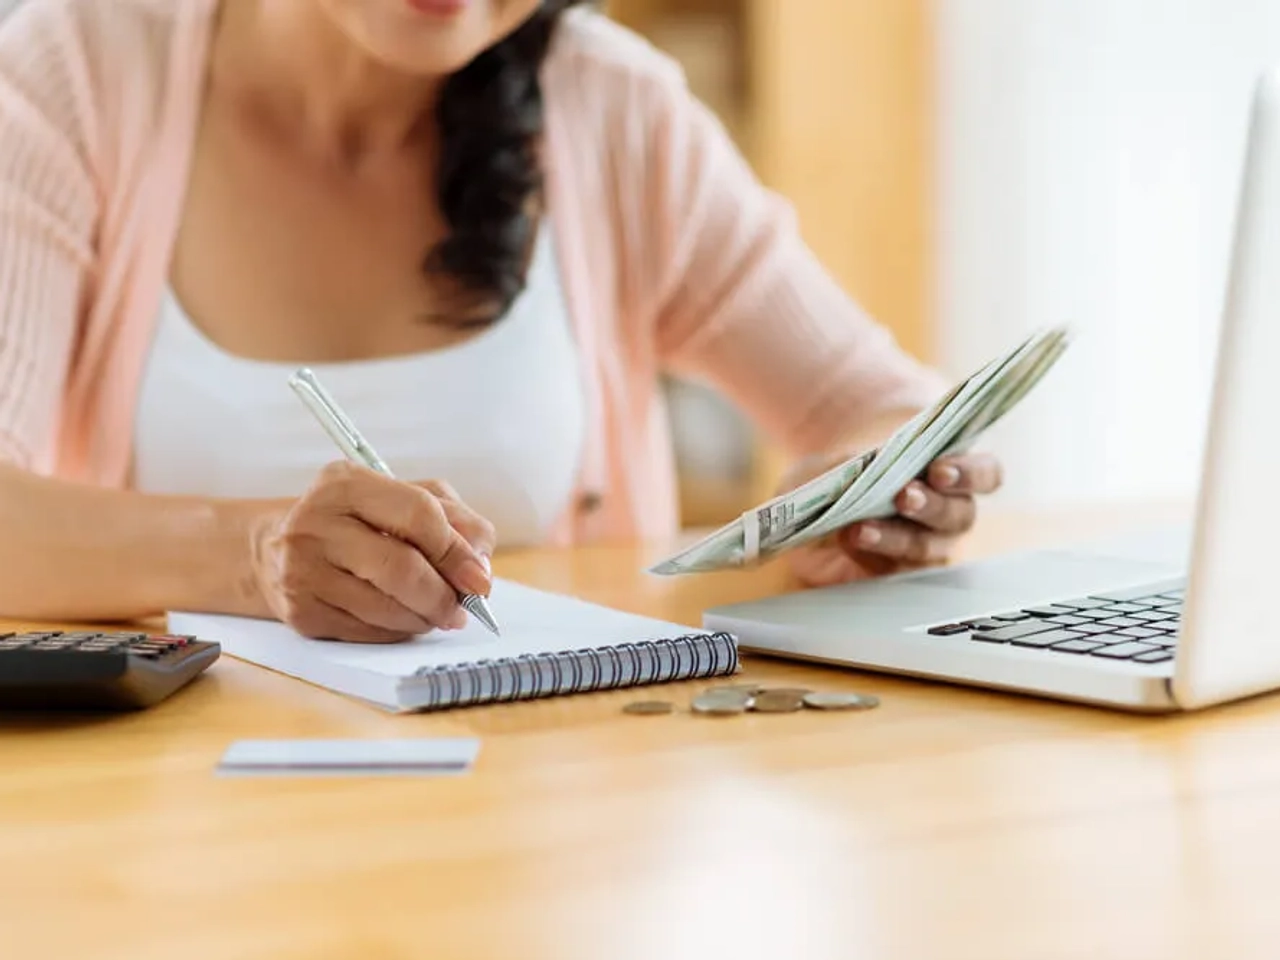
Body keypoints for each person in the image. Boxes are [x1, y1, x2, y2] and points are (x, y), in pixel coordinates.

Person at [0, 0, 1002, 642]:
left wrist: (876, 502)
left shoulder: (611, 107)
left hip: (550, 809)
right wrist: (256, 556)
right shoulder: (74, 75)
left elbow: (878, 407)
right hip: (168, 824)